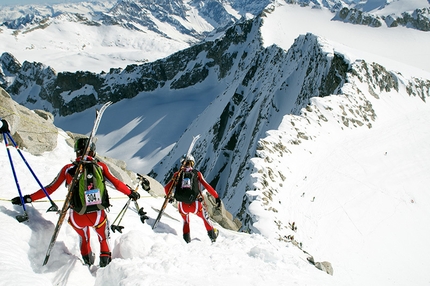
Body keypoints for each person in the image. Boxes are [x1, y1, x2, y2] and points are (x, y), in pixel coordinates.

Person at [11, 137, 141, 267]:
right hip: (97, 215)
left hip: (76, 216)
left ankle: (87, 263)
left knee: (84, 238)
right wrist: (131, 193)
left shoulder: (68, 169)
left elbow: (50, 189)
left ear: (76, 152)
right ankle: (105, 269)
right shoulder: (100, 167)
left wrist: (28, 198)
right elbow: (117, 183)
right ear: (93, 152)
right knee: (103, 239)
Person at [165, 154, 222, 243]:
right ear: (192, 163)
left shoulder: (177, 174)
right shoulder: (197, 173)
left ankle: (186, 240)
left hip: (182, 205)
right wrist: (216, 197)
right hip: (195, 204)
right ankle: (212, 236)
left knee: (186, 221)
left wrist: (170, 197)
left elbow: (166, 188)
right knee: (205, 217)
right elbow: (207, 186)